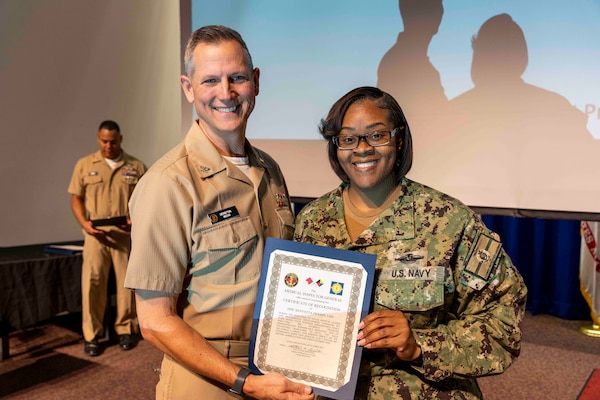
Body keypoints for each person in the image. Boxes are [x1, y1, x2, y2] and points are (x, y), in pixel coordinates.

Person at [293, 86, 527, 399]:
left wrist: (418, 344)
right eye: (348, 139)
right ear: (336, 147)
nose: (362, 148)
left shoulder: (450, 220)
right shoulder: (312, 222)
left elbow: (503, 328)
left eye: (377, 135)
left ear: (399, 139)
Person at [124, 25, 314, 400]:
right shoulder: (168, 183)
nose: (225, 93)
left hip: (276, 365)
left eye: (237, 78)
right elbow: (155, 322)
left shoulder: (270, 170)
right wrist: (246, 382)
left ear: (255, 82)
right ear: (188, 88)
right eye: (210, 80)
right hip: (208, 377)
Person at [68, 120, 146, 356]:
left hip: (124, 236)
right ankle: (92, 335)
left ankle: (126, 330)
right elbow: (76, 198)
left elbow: (145, 202)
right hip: (95, 237)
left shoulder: (136, 166)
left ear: (120, 139)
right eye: (104, 141)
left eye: (113, 141)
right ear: (98, 139)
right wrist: (84, 223)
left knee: (127, 286)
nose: (108, 146)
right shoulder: (84, 165)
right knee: (92, 285)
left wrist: (135, 221)